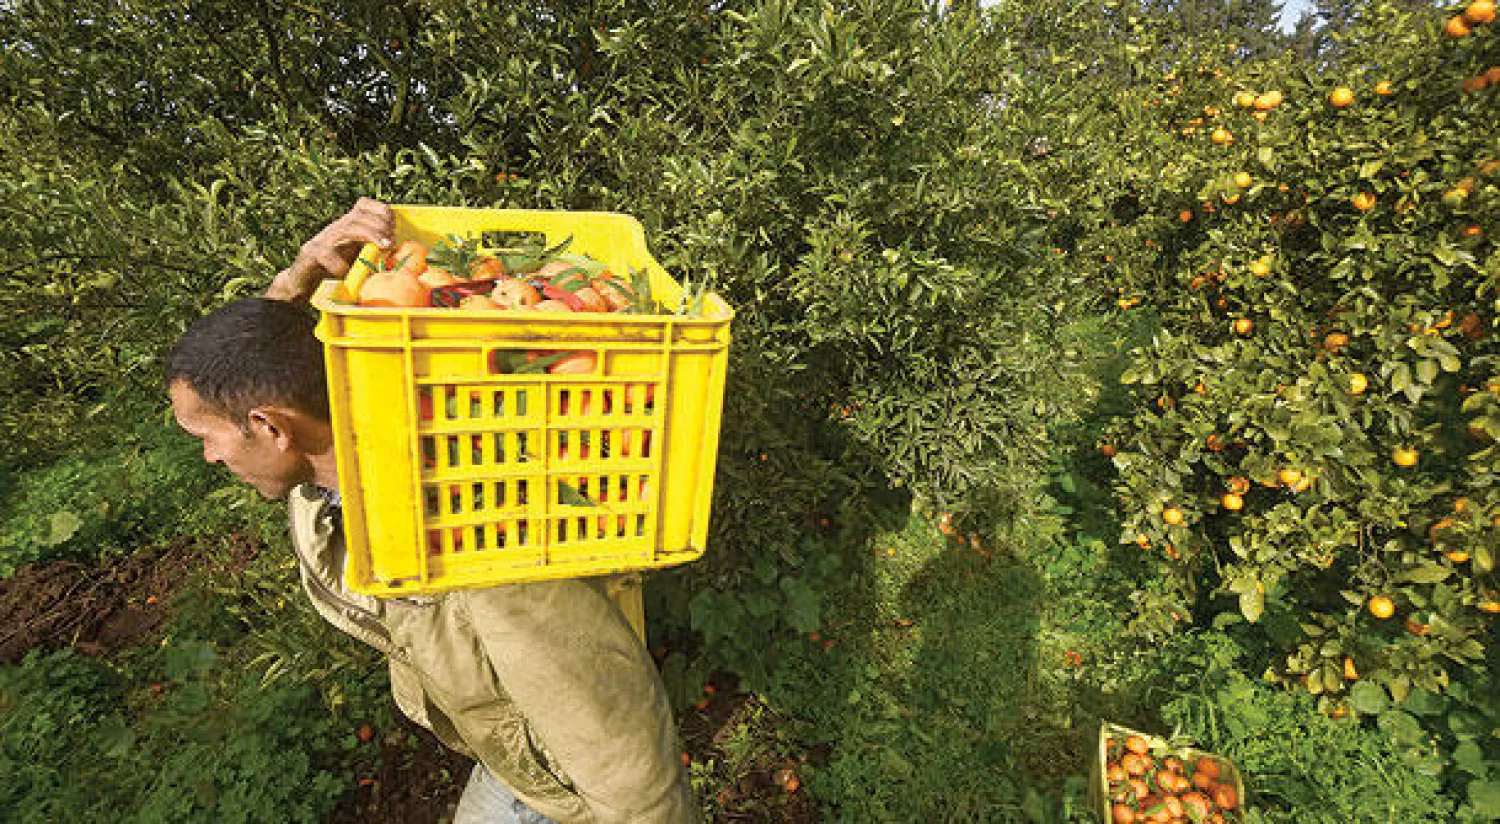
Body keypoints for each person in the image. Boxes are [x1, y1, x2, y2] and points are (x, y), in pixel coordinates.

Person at [166, 199, 698, 823]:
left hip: (565, 792)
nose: (208, 457)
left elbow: (612, 733)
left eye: (206, 436)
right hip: (506, 757)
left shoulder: (481, 538)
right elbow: (260, 367)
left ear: (270, 427)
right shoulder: (335, 446)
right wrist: (297, 279)